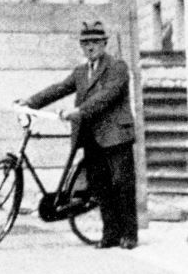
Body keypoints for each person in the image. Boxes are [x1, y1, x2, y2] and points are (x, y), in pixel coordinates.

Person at [17, 20, 138, 250]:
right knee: (100, 186)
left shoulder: (117, 67)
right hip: (91, 136)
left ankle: (129, 235)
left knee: (122, 184)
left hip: (115, 135)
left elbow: (106, 96)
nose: (90, 47)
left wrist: (79, 111)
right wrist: (31, 102)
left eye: (95, 42)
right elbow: (60, 88)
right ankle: (110, 234)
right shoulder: (81, 72)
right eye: (85, 43)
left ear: (104, 43)